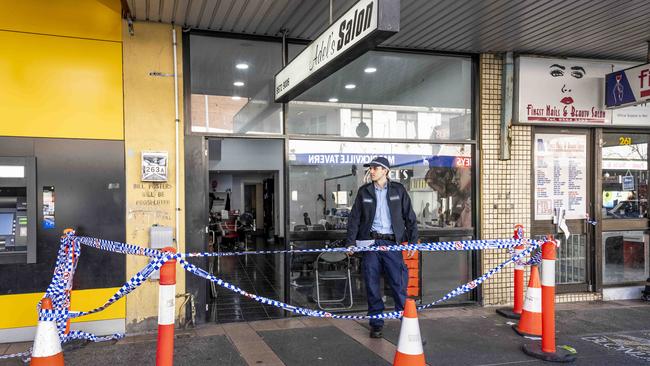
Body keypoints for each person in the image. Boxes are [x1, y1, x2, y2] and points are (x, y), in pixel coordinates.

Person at [346, 156, 418, 338]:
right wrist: (351, 242)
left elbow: (410, 217)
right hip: (370, 244)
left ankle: (407, 324)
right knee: (371, 285)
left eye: (375, 168)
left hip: (392, 244)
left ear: (385, 171)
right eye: (370, 168)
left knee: (398, 284)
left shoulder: (398, 190)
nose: (371, 171)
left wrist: (413, 241)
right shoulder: (364, 192)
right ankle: (376, 324)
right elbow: (354, 218)